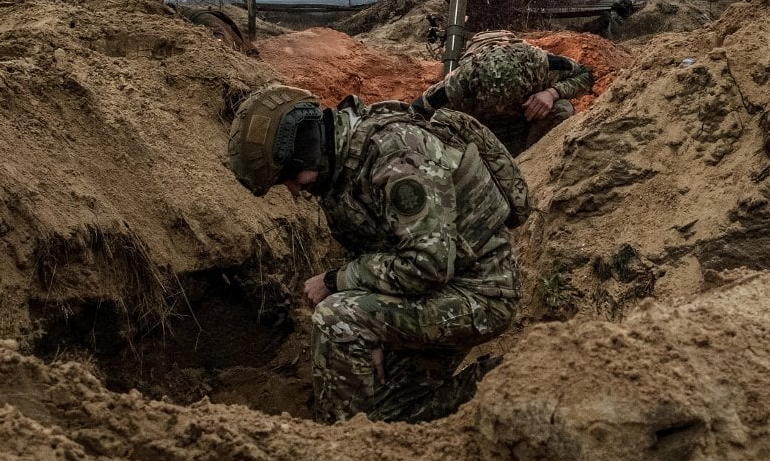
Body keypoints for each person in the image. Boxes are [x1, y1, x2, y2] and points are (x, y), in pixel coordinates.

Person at [226, 84, 519, 423]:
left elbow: (427, 264)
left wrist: (340, 283)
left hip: (478, 294)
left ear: (306, 150)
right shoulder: (344, 160)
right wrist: (376, 327)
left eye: (290, 178)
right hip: (433, 291)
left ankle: (344, 449)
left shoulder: (396, 156)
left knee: (337, 318)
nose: (293, 191)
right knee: (386, 412)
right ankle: (490, 385)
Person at [413, 30, 593, 156]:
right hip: (482, 129)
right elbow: (417, 111)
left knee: (562, 108)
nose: (500, 107)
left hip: (526, 119)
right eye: (493, 100)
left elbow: (585, 74)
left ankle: (536, 159)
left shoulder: (540, 64)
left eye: (507, 100)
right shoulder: (459, 83)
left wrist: (553, 93)